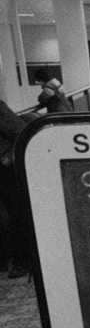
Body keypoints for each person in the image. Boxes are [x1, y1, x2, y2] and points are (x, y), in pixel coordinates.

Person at [0, 101, 31, 277]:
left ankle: (23, 261)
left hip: (6, 172)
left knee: (15, 216)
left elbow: (21, 131)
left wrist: (7, 156)